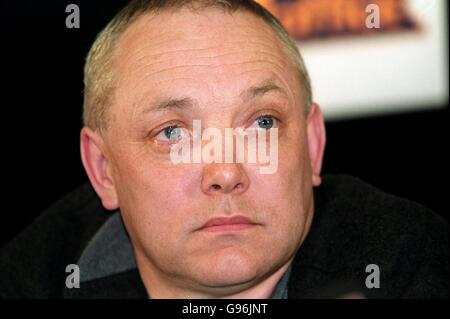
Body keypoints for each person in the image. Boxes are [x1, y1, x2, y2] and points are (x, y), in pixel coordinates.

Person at [0, 0, 447, 299]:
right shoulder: (29, 278)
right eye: (173, 133)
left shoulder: (415, 265)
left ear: (312, 146)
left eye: (263, 123)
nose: (226, 171)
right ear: (104, 170)